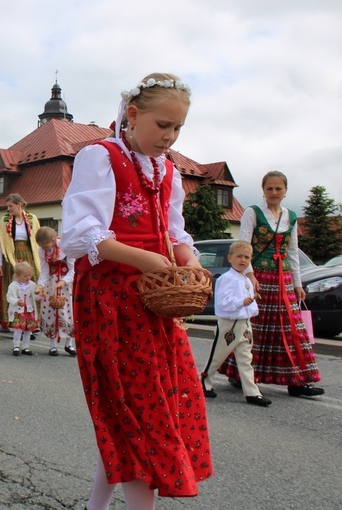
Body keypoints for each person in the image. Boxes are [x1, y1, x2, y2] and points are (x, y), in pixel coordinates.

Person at [62, 73, 212, 507]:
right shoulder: (101, 156)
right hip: (111, 296)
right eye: (162, 125)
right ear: (132, 115)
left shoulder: (168, 171)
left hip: (154, 301)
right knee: (141, 413)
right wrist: (143, 258)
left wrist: (190, 259)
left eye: (177, 128)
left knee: (145, 407)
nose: (170, 136)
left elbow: (175, 232)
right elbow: (80, 235)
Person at [220, 171, 324, 397]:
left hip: (283, 278)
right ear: (263, 190)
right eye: (270, 189)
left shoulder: (291, 216)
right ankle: (240, 373)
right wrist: (249, 275)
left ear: (285, 191)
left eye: (278, 189)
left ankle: (297, 381)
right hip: (259, 277)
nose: (274, 193)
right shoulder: (252, 213)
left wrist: (297, 283)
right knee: (253, 328)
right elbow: (243, 245)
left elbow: (292, 251)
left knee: (291, 329)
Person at [201, 241, 271, 406]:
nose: (243, 260)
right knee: (218, 357)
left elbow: (250, 302)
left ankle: (252, 392)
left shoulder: (246, 280)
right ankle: (205, 382)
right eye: (239, 256)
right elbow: (223, 302)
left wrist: (252, 307)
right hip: (229, 324)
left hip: (245, 324)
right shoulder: (226, 278)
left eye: (247, 257)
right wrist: (241, 302)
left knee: (246, 359)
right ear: (230, 257)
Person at [0, 194, 40, 329]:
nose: (8, 209)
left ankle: (31, 321)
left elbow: (37, 241)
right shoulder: (4, 221)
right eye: (7, 206)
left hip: (29, 255)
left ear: (19, 204)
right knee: (12, 287)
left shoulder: (32, 219)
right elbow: (0, 243)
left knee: (31, 286)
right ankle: (11, 321)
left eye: (11, 206)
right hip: (11, 256)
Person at [35, 227, 76, 357]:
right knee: (51, 312)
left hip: (66, 285)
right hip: (52, 283)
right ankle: (52, 345)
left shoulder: (66, 247)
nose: (45, 249)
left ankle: (69, 344)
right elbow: (45, 271)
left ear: (53, 240)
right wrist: (41, 285)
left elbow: (73, 269)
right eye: (42, 247)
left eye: (46, 246)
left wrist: (64, 281)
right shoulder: (42, 251)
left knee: (69, 313)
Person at [6, 261, 39, 356]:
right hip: (18, 311)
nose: (28, 278)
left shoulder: (32, 285)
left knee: (28, 330)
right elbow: (9, 297)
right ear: (17, 276)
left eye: (29, 275)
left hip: (29, 310)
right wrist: (16, 301)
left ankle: (26, 347)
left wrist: (41, 296)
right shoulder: (13, 286)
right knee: (19, 329)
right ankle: (16, 345)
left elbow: (35, 297)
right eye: (25, 276)